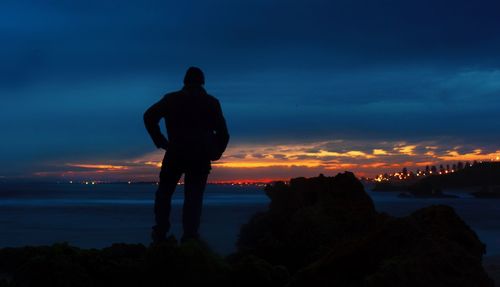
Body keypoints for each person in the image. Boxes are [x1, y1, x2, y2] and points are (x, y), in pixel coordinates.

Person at [143, 67, 230, 243]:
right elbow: (223, 133)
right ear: (202, 82)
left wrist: (161, 141)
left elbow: (148, 116)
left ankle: (160, 232)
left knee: (164, 194)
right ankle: (189, 237)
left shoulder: (171, 99)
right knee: (194, 198)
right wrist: (216, 152)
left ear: (184, 81)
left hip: (175, 153)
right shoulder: (211, 102)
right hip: (200, 156)